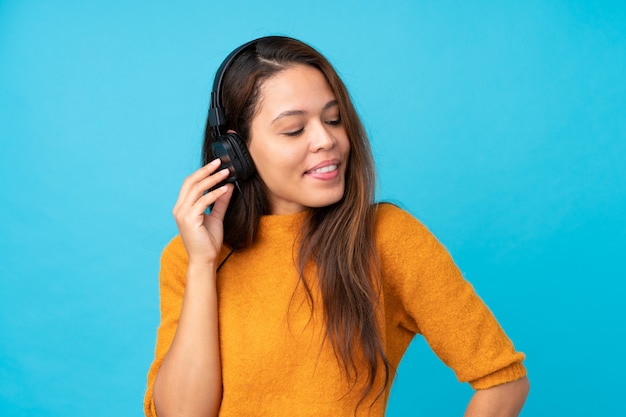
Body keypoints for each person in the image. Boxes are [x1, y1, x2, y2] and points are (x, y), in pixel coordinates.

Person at [144, 36, 529, 417]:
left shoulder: (386, 238)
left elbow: (503, 381)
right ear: (235, 153)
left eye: (334, 119)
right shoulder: (188, 260)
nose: (327, 140)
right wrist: (201, 265)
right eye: (295, 129)